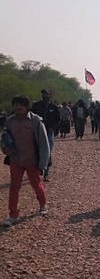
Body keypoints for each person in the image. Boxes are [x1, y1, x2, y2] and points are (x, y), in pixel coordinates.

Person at [0, 95, 50, 226]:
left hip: (32, 159)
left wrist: (43, 163)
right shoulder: (10, 121)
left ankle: (43, 204)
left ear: (27, 106)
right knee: (14, 187)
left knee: (36, 183)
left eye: (20, 104)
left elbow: (44, 143)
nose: (18, 107)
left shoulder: (36, 121)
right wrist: (4, 148)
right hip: (16, 159)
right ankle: (13, 215)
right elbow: (4, 137)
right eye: (15, 104)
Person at [31, 89, 60, 182]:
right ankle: (37, 170)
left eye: (46, 94)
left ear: (50, 95)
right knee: (36, 151)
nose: (44, 95)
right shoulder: (36, 105)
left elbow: (58, 119)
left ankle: (46, 173)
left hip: (49, 132)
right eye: (43, 93)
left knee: (47, 151)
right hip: (37, 132)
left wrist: (53, 128)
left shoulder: (54, 107)